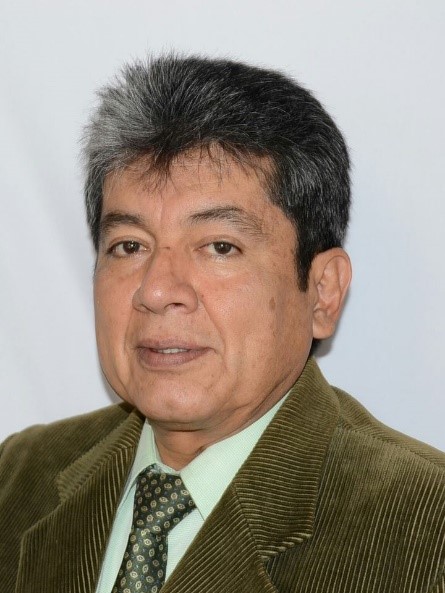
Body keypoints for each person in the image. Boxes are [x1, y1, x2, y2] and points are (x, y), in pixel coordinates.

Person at [0, 54, 443, 593]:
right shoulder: (18, 476)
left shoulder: (427, 527)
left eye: (219, 247)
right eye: (130, 246)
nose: (156, 291)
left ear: (323, 291)